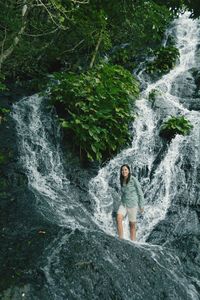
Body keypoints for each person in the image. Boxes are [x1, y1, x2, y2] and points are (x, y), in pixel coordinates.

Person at [116, 164, 144, 241]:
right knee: (118, 218)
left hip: (132, 204)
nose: (124, 171)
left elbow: (140, 192)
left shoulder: (133, 179)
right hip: (124, 204)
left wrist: (141, 205)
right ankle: (120, 239)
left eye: (125, 169)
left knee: (132, 225)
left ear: (128, 171)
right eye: (122, 170)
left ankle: (133, 242)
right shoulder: (121, 180)